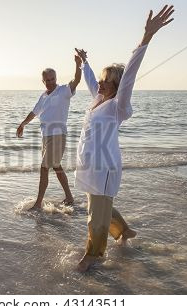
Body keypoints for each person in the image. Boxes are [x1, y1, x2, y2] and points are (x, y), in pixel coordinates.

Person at [75, 5, 175, 272]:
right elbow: (89, 80)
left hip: (105, 166)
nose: (100, 83)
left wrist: (146, 38)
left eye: (107, 80)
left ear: (117, 85)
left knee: (96, 213)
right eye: (101, 79)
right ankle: (124, 231)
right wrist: (84, 62)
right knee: (99, 204)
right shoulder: (97, 100)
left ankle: (94, 255)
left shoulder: (118, 106)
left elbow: (129, 75)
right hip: (91, 165)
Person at [16, 54, 82, 209]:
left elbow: (76, 80)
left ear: (56, 78)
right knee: (56, 166)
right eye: (48, 80)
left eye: (53, 79)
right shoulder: (43, 96)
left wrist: (78, 64)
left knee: (44, 167)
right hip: (46, 136)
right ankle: (70, 197)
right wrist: (23, 124)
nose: (51, 82)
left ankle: (38, 203)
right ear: (43, 81)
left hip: (58, 134)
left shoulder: (64, 91)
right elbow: (34, 112)